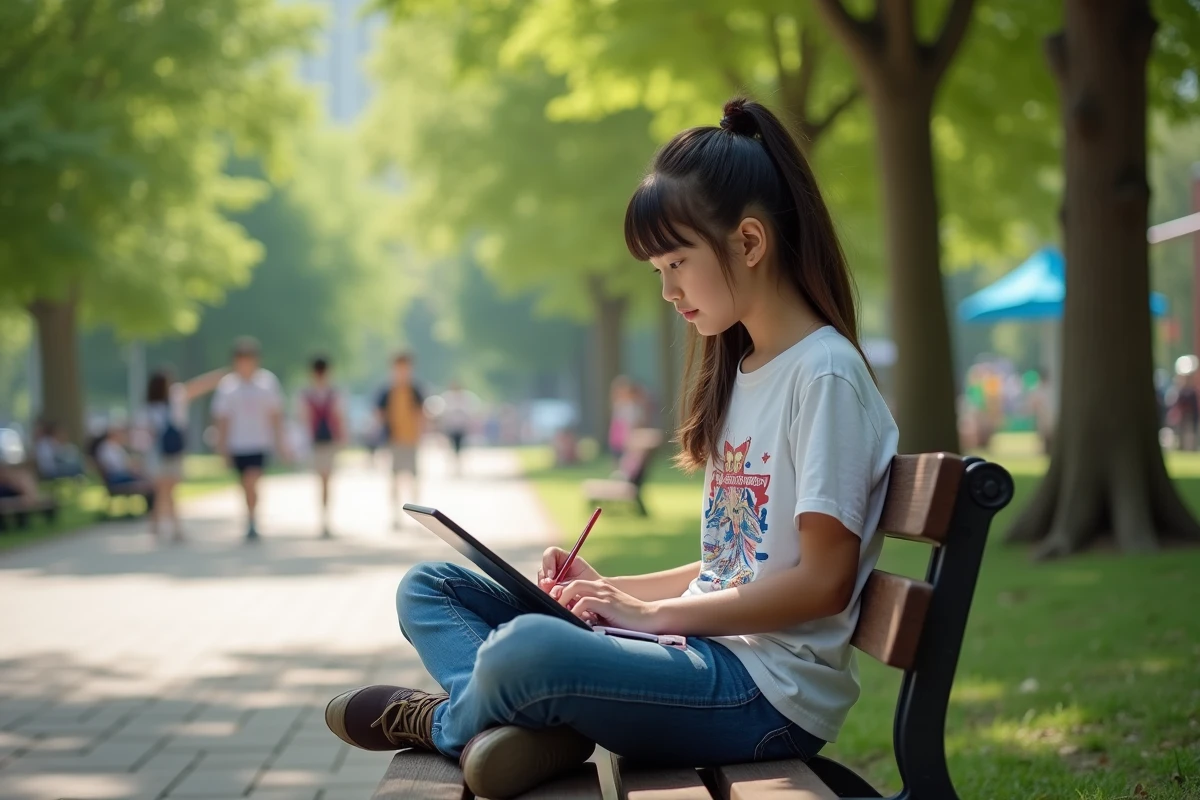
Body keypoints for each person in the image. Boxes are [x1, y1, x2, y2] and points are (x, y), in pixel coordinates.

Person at [323, 98, 899, 799]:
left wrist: (651, 617)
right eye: (658, 270)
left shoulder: (825, 375)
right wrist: (616, 594)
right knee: (432, 587)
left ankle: (450, 723)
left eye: (677, 263)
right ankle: (518, 726)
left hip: (763, 697)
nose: (667, 291)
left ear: (749, 243)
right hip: (702, 656)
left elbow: (821, 583)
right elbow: (735, 565)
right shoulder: (748, 370)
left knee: (526, 649)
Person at [212, 337, 287, 542]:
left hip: (260, 442)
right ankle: (250, 516)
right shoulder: (228, 386)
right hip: (238, 444)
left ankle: (254, 519)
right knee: (245, 484)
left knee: (253, 480)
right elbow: (222, 419)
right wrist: (222, 447)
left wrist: (281, 442)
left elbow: (276, 415)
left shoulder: (267, 383)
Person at [143, 367, 226, 540]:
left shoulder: (166, 402)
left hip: (166, 453)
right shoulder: (164, 403)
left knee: (165, 491)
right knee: (166, 491)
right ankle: (172, 528)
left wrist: (217, 377)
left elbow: (196, 386)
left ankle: (158, 525)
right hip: (164, 454)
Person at [376, 353, 426, 529]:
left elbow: (422, 414)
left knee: (414, 478)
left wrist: (421, 433)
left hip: (411, 440)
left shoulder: (415, 390)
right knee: (395, 478)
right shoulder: (388, 391)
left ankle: (418, 515)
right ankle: (395, 515)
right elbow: (379, 413)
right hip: (394, 440)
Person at [301, 356, 345, 537]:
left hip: (328, 442)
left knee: (326, 480)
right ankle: (323, 518)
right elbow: (304, 419)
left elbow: (339, 417)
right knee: (321, 481)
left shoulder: (333, 393)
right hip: (315, 442)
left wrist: (341, 438)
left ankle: (325, 519)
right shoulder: (307, 394)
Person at [438, 381, 476, 476]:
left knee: (460, 447)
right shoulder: (447, 397)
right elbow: (443, 413)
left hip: (461, 427)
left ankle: (459, 466)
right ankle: (453, 465)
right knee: (452, 447)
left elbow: (470, 413)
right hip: (451, 427)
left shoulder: (466, 398)